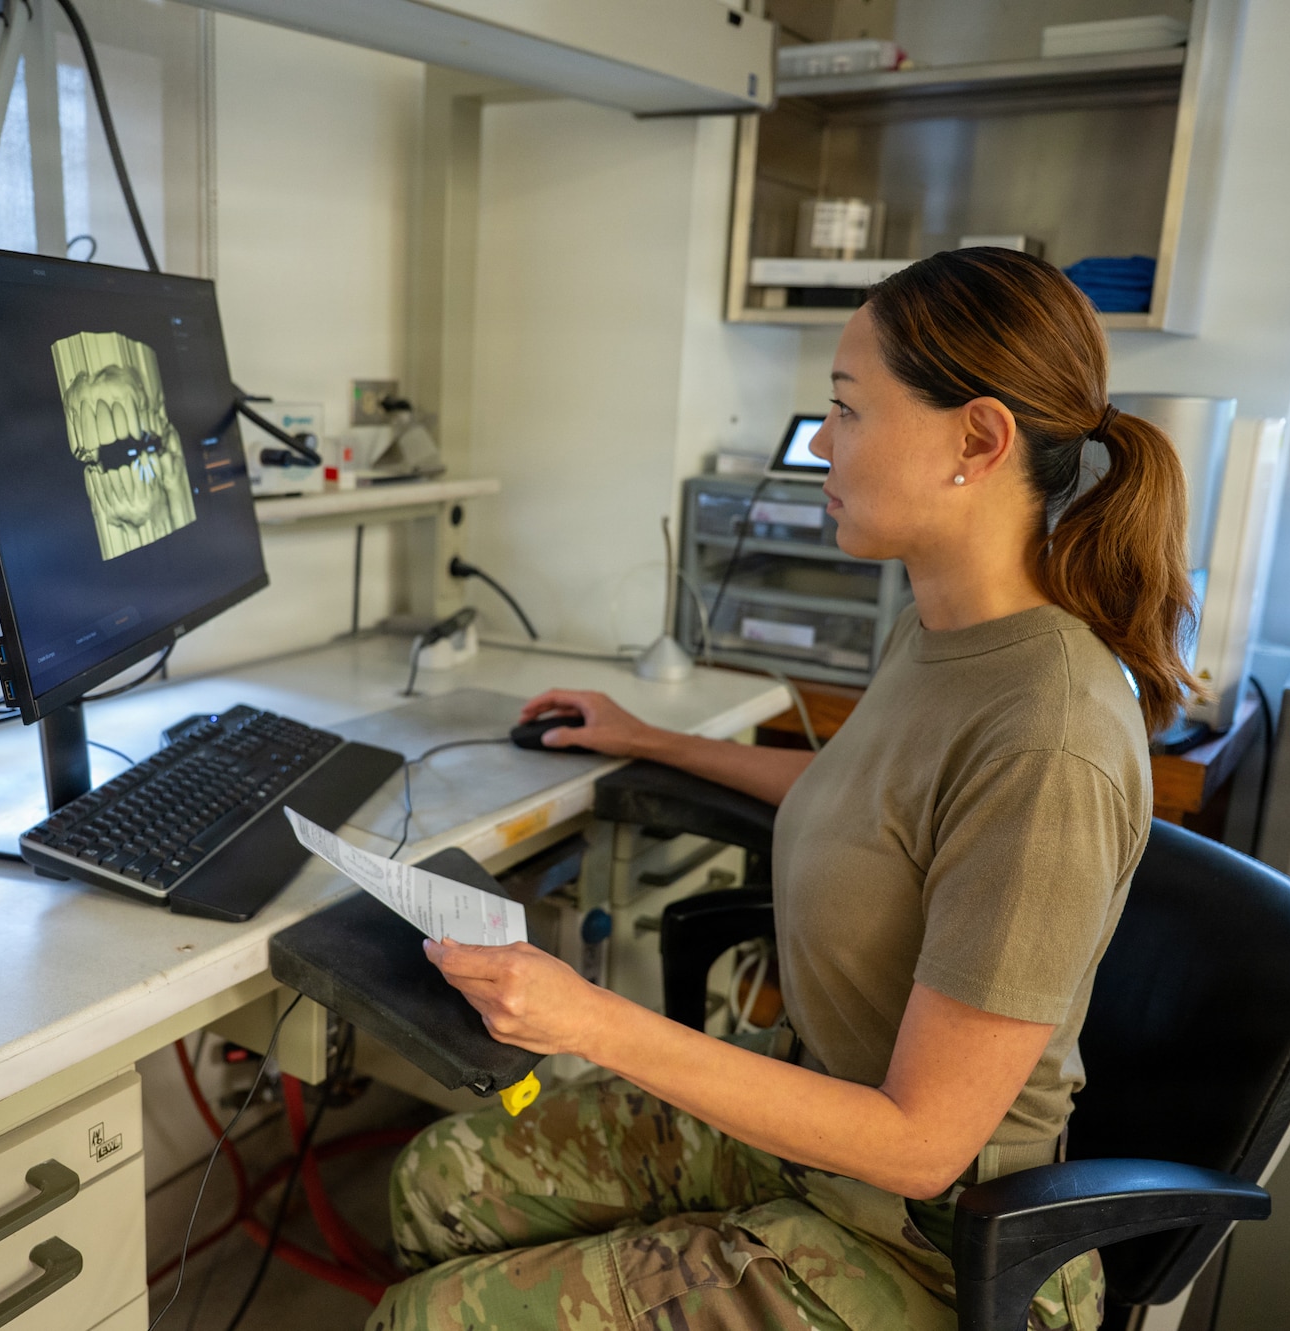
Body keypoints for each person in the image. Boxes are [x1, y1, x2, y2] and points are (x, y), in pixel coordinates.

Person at [368, 247, 1196, 1331]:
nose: (818, 444)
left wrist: (587, 1018)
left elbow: (922, 1139)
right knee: (432, 1184)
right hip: (810, 1122)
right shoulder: (941, 624)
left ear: (977, 439)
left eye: (846, 411)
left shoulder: (1047, 736)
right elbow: (876, 802)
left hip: (930, 1236)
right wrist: (651, 738)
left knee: (423, 1319)